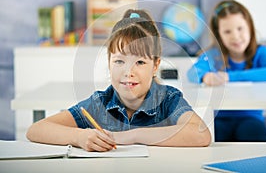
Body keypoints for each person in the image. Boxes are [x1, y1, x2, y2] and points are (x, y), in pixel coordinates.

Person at [27, 9, 211, 152]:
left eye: (139, 62)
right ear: (109, 62)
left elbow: (201, 134)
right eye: (119, 61)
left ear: (155, 65)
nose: (128, 72)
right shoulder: (100, 103)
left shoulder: (168, 99)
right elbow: (36, 130)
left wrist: (132, 136)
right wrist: (80, 137)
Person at [187, 0, 266, 142]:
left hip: (251, 117)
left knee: (255, 136)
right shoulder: (213, 55)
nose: (235, 36)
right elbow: (192, 72)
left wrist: (229, 77)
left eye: (240, 28)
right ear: (219, 35)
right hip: (220, 118)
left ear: (249, 27)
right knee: (209, 140)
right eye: (227, 31)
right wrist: (205, 76)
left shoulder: (261, 52)